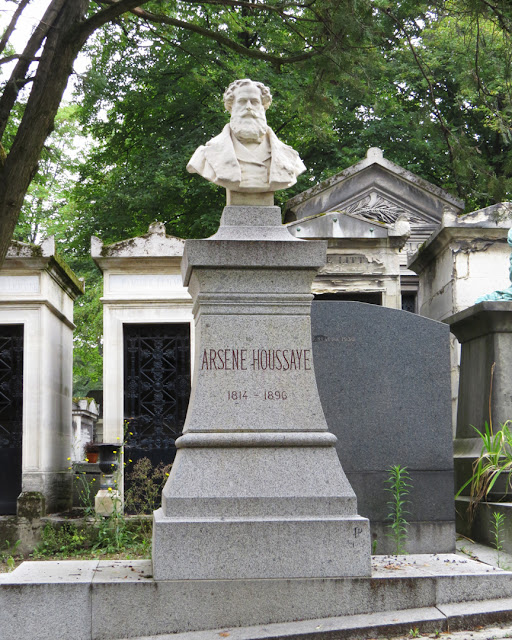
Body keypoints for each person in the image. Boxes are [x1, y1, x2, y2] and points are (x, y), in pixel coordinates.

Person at [187, 79, 305, 193]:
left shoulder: (290, 158)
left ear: (263, 107)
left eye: (254, 102)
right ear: (231, 107)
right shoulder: (206, 154)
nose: (248, 107)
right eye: (242, 101)